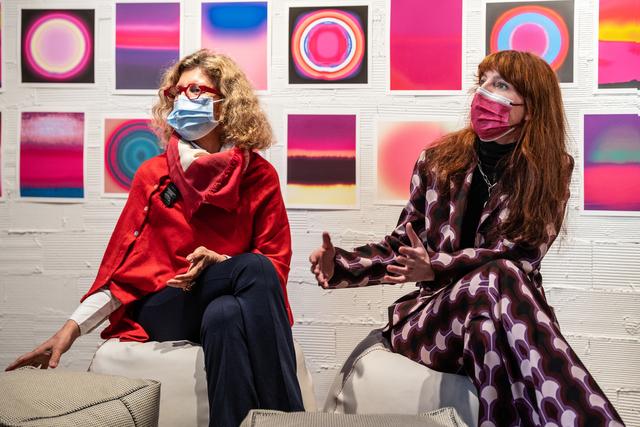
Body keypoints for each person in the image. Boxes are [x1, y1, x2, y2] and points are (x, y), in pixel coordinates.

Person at [309, 51, 623, 426]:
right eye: (482, 81)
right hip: (431, 322)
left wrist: (435, 265)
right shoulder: (438, 160)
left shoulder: (552, 170)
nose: (484, 92)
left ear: (531, 107)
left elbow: (523, 255)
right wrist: (340, 265)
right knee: (496, 276)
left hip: (499, 315)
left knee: (490, 314)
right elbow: (402, 247)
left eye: (500, 85)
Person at [7, 49, 304, 427]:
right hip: (166, 304)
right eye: (176, 92)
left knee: (226, 315)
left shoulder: (259, 176)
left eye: (195, 90)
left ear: (226, 102)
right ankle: (291, 421)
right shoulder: (154, 174)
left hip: (227, 298)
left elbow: (275, 266)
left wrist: (221, 265)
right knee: (254, 269)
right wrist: (70, 330)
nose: (183, 99)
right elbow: (121, 268)